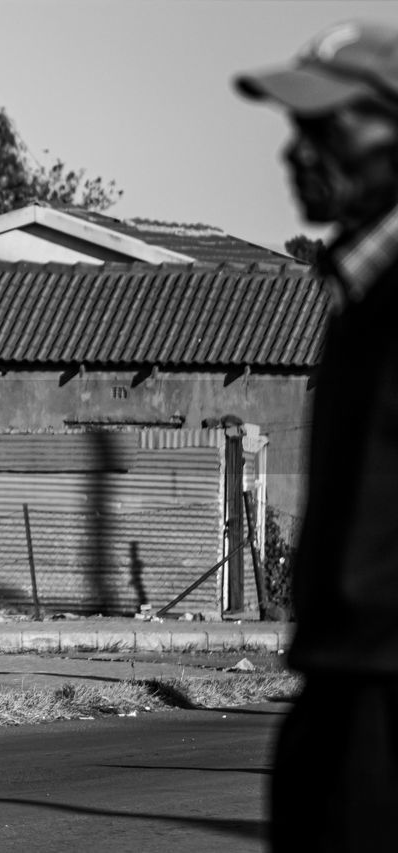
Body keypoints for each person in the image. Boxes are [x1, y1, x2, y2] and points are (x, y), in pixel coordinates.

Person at [236, 20, 398, 850]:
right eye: (298, 130)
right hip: (343, 685)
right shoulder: (355, 292)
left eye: (329, 127)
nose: (301, 153)